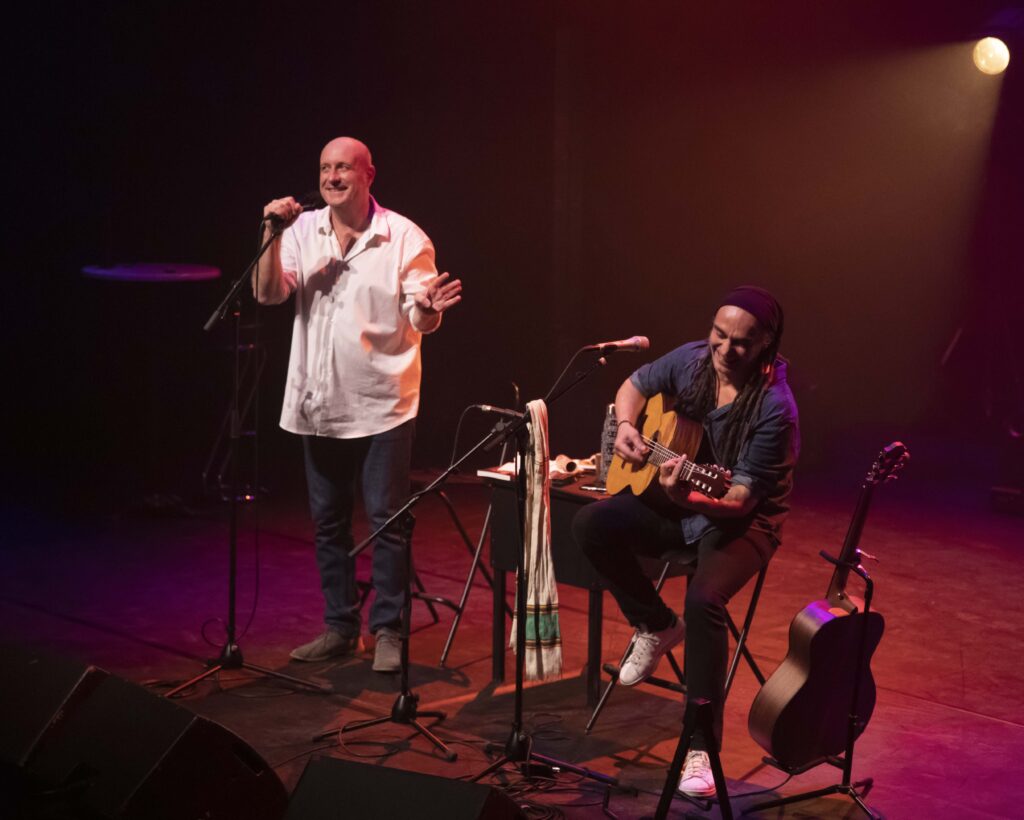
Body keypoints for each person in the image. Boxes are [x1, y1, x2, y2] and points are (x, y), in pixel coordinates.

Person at [572, 286, 799, 797]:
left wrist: (692, 498)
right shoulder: (693, 360)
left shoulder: (775, 409)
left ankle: (700, 747)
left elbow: (740, 500)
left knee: (704, 599)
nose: (724, 350)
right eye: (719, 335)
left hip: (743, 524)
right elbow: (632, 382)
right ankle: (655, 625)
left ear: (765, 343)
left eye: (740, 342)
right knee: (590, 523)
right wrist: (628, 424)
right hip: (682, 500)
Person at [253, 137, 462, 673]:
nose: (332, 176)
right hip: (318, 401)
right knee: (327, 522)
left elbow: (420, 314)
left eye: (343, 166)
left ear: (370, 174)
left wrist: (430, 312)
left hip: (381, 402)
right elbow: (268, 294)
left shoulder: (404, 237)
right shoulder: (302, 230)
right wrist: (270, 233)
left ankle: (389, 629)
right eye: (324, 167)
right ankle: (341, 627)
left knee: (387, 521)